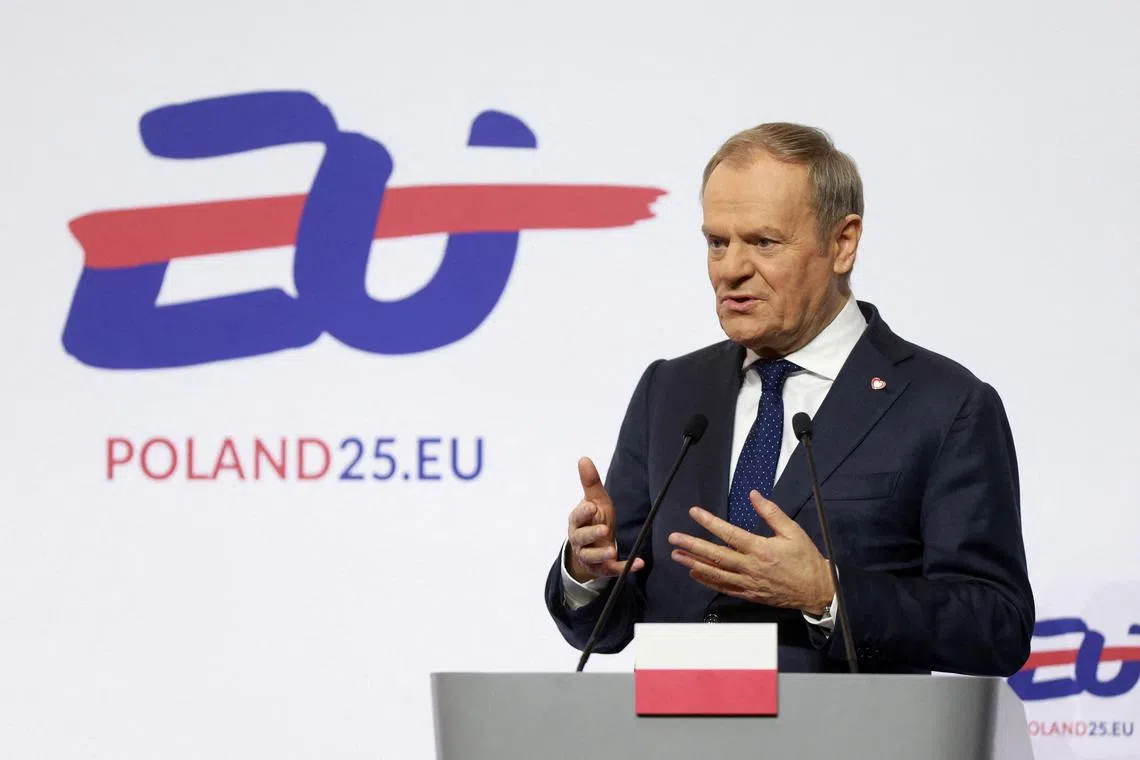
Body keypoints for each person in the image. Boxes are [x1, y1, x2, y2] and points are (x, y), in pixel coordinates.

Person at [543, 122, 1034, 674]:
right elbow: (606, 628)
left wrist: (827, 593)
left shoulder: (945, 405)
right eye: (717, 242)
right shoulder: (671, 391)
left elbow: (997, 626)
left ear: (842, 243)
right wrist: (587, 574)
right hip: (677, 736)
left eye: (763, 242)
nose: (730, 269)